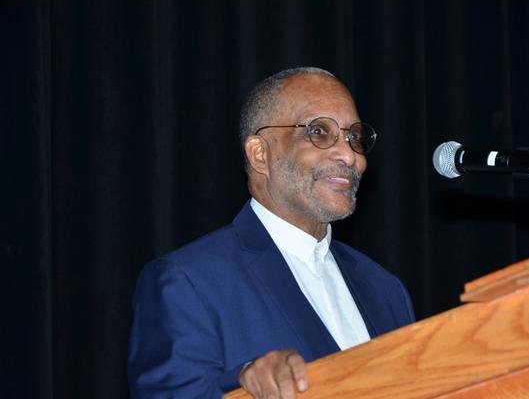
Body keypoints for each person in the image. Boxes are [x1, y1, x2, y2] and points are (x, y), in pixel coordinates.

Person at [128, 67, 415, 398]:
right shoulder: (187, 283)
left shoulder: (386, 291)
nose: (350, 155)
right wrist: (245, 380)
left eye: (354, 136)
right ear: (259, 154)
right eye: (319, 132)